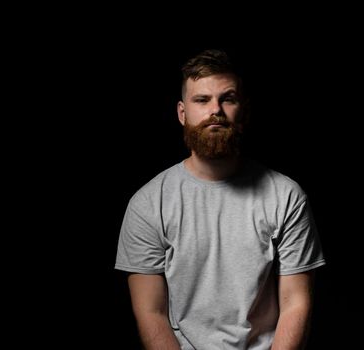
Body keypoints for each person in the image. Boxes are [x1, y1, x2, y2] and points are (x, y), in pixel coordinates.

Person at [115, 49, 326, 349]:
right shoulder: (149, 203)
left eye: (228, 98)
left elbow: (296, 303)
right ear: (182, 113)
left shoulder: (286, 197)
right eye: (202, 100)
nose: (215, 110)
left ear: (245, 110)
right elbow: (151, 312)